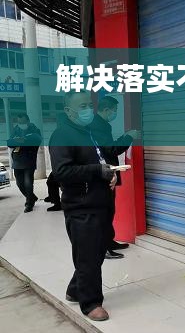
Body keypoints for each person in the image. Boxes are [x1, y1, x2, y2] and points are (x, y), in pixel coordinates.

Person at [49, 91, 117, 321]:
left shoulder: (89, 132)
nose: (88, 110)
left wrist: (110, 173)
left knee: (97, 250)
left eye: (89, 104)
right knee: (88, 256)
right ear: (69, 111)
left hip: (100, 202)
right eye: (82, 106)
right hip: (81, 206)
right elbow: (62, 172)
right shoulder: (62, 135)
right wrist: (97, 171)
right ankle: (90, 303)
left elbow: (99, 160)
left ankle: (75, 289)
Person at [89, 95, 140, 260]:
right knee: (103, 212)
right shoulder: (97, 126)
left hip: (107, 174)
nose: (115, 114)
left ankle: (109, 242)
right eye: (114, 110)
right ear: (106, 110)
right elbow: (111, 149)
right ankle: (102, 248)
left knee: (109, 210)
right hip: (102, 176)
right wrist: (128, 137)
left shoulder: (102, 124)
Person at [6, 113, 42, 212]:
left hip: (29, 160)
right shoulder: (16, 130)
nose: (21, 124)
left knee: (28, 183)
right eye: (19, 122)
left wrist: (24, 141)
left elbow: (37, 140)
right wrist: (17, 141)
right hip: (17, 161)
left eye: (23, 122)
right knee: (19, 183)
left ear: (28, 121)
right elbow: (9, 142)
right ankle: (32, 197)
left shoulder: (34, 129)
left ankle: (29, 204)